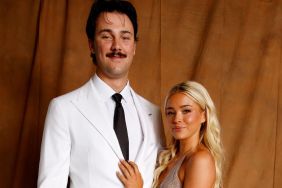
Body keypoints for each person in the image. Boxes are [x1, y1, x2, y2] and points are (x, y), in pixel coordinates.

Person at [37, 0, 163, 187]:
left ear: (134, 46)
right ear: (91, 45)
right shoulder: (64, 109)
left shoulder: (153, 113)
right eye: (106, 36)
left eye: (125, 37)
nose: (117, 46)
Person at [118, 81, 224, 188]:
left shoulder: (201, 160)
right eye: (170, 112)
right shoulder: (168, 158)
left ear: (204, 116)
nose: (176, 119)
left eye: (186, 111)